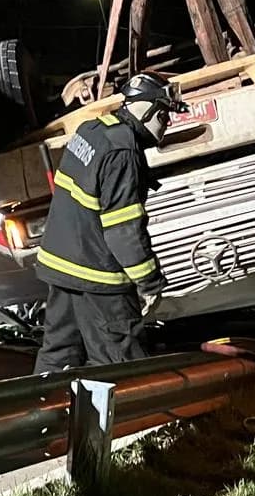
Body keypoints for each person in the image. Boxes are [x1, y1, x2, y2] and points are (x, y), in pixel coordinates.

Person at [33, 72, 182, 373]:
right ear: (148, 110)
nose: (166, 122)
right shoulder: (123, 151)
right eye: (164, 114)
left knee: (59, 355)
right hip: (98, 276)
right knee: (121, 364)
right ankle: (140, 419)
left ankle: (39, 416)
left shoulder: (93, 129)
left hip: (61, 266)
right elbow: (123, 231)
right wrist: (150, 282)